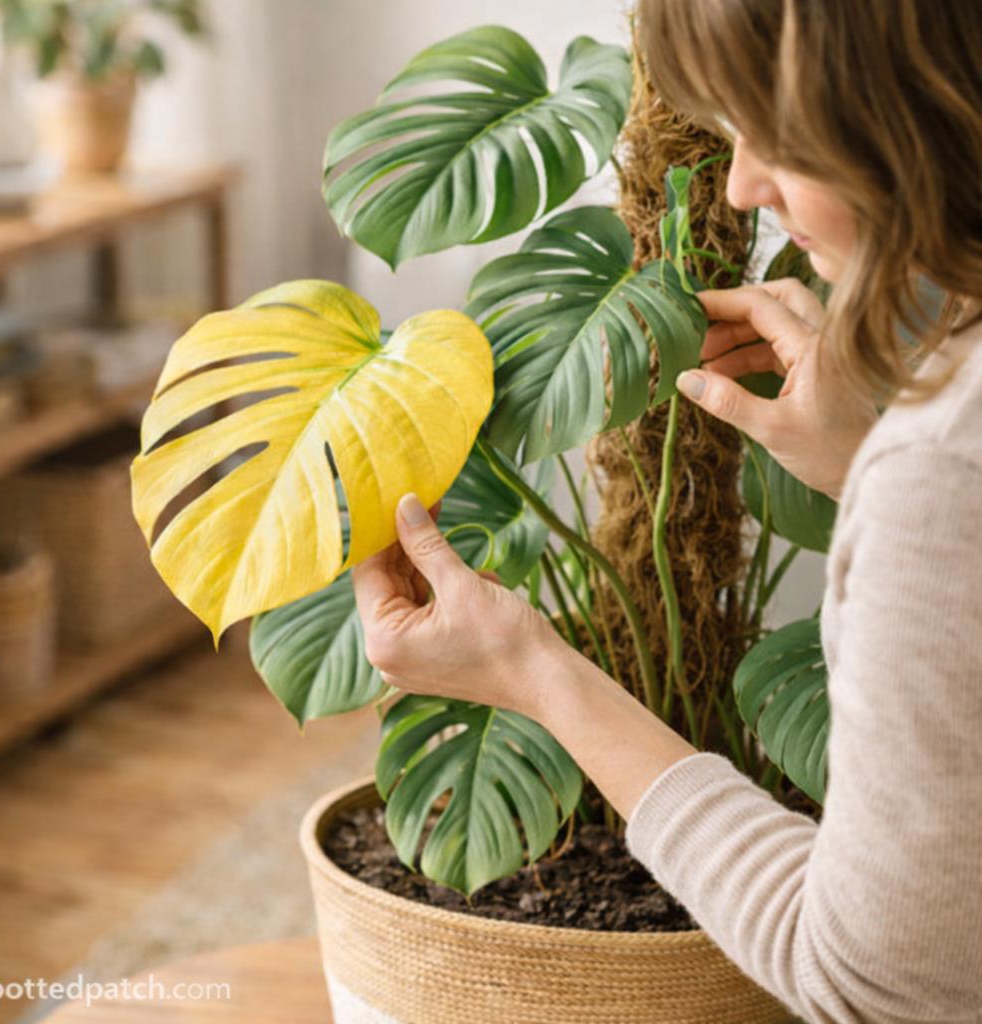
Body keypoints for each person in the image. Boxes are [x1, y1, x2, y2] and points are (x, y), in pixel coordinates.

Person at [351, 1, 982, 1021]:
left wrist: (533, 670)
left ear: (902, 98)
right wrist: (866, 465)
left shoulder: (948, 459)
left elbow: (880, 985)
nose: (740, 188)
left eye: (770, 130)